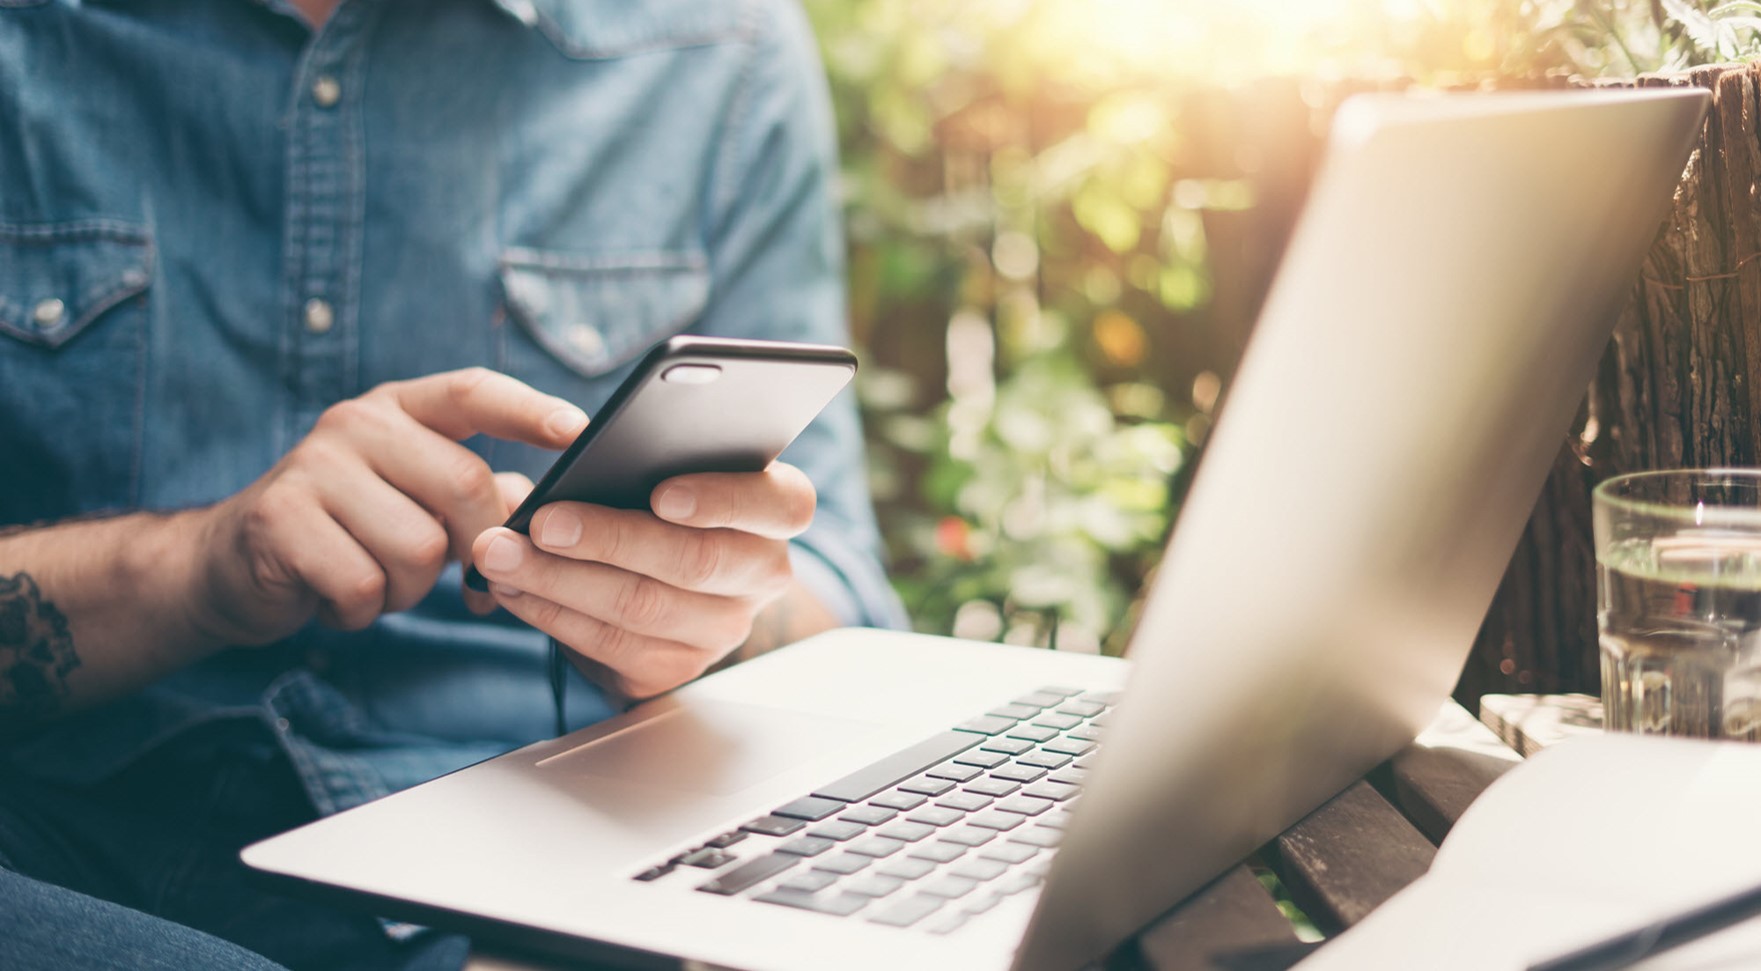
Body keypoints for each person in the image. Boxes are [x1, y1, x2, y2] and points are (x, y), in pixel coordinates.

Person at [0, 0, 903, 967]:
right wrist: (194, 569)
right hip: (57, 843)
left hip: (539, 860)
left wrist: (697, 626)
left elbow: (836, 595)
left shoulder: (723, 42)